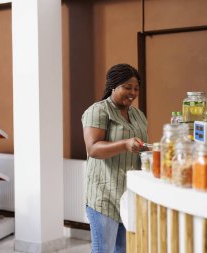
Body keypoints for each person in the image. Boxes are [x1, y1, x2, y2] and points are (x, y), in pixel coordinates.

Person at [82, 63, 147, 253]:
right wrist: (125, 144)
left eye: (136, 88)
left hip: (128, 196)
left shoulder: (138, 115)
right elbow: (93, 148)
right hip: (104, 196)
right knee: (103, 250)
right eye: (127, 87)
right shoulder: (99, 111)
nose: (133, 93)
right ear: (113, 86)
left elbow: (139, 148)